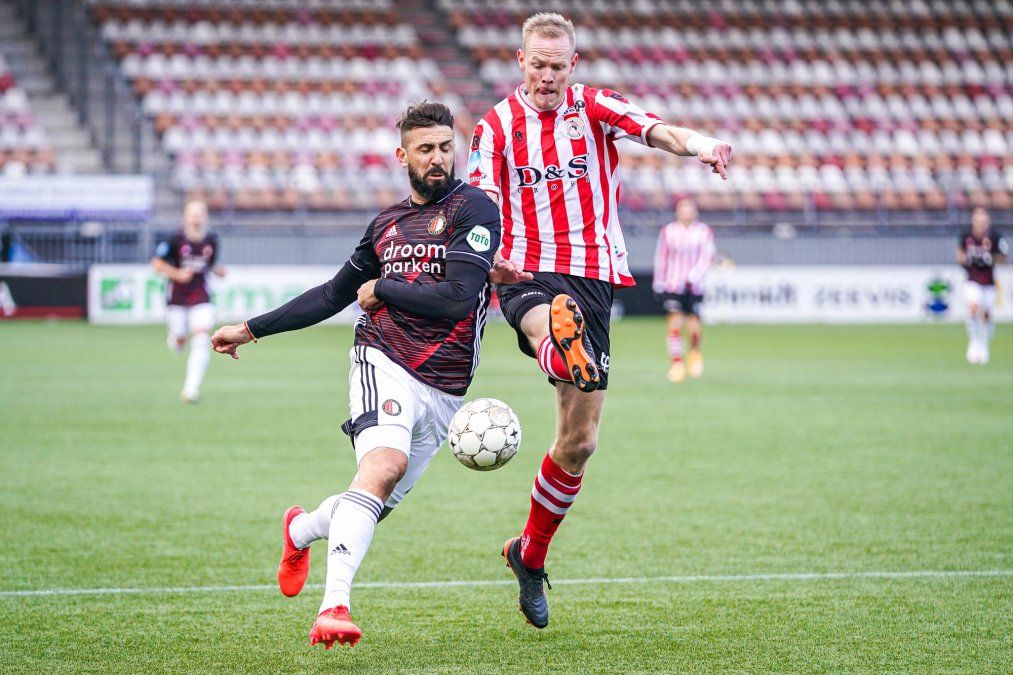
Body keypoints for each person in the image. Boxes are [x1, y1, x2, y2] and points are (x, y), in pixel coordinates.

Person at [469, 12, 733, 628]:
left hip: (592, 276)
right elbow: (479, 197)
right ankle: (555, 343)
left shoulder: (595, 108)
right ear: (520, 60)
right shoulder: (496, 128)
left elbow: (654, 129)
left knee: (580, 442)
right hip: (525, 270)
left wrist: (702, 145)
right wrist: (487, 260)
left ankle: (528, 555)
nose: (547, 75)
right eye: (538, 63)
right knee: (545, 326)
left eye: (558, 65)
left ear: (573, 65)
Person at [210, 102, 501, 649]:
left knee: (373, 502)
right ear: (402, 156)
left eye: (444, 147)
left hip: (444, 388)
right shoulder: (385, 226)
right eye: (425, 150)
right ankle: (333, 607)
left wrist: (384, 287)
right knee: (383, 465)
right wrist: (251, 329)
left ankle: (299, 530)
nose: (437, 159)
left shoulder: (476, 210)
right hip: (382, 358)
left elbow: (459, 300)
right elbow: (331, 295)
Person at [150, 198, 225, 403]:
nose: (196, 217)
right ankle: (175, 339)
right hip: (177, 298)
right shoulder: (174, 239)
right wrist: (176, 273)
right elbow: (156, 263)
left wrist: (217, 271)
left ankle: (191, 389)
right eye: (193, 213)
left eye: (200, 213)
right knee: (180, 340)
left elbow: (208, 265)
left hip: (201, 295)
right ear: (186, 216)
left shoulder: (212, 239)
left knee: (202, 337)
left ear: (205, 216)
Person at [652, 198, 716, 382]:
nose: (687, 213)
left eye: (690, 210)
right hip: (673, 283)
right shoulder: (668, 231)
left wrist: (696, 274)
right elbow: (661, 256)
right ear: (677, 212)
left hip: (694, 285)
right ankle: (676, 363)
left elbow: (707, 256)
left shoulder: (703, 232)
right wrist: (659, 280)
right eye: (683, 209)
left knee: (694, 324)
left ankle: (694, 352)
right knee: (674, 321)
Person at [957, 207, 1008, 364]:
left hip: (989, 282)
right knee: (973, 307)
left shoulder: (995, 237)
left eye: (983, 220)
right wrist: (966, 259)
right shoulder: (966, 236)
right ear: (973, 221)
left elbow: (1004, 258)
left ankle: (984, 344)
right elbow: (959, 255)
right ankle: (973, 342)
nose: (981, 223)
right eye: (978, 220)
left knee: (986, 314)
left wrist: (990, 258)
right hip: (972, 280)